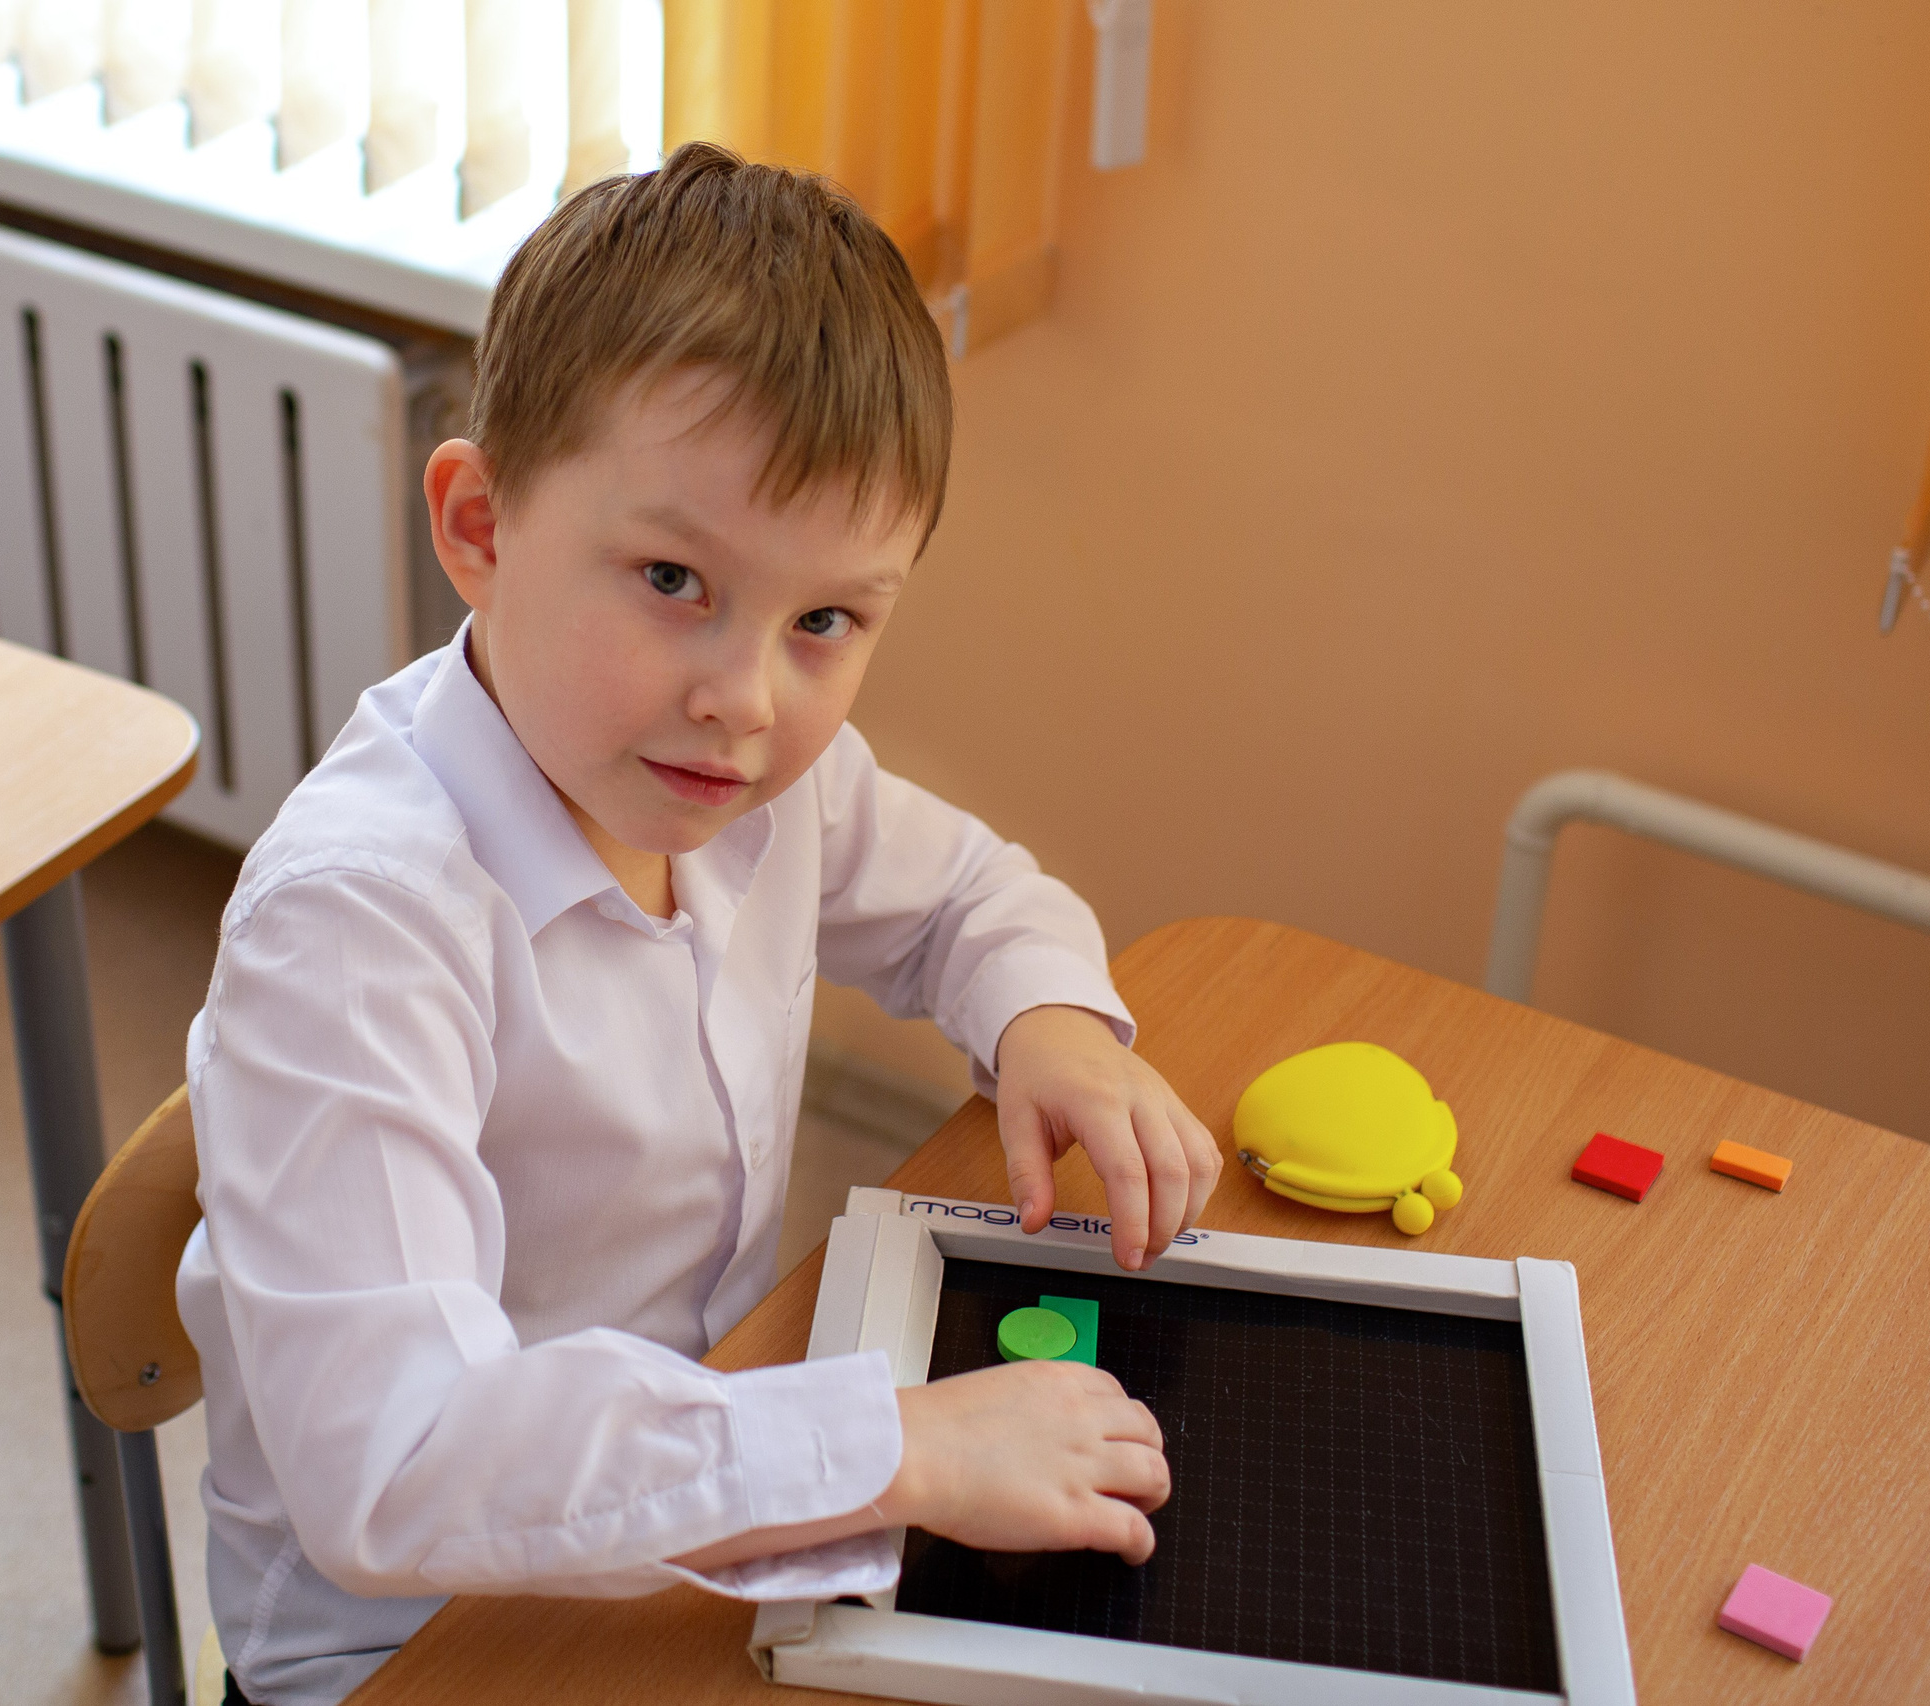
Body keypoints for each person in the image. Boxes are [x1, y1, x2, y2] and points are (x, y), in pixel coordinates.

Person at [177, 142, 1223, 1706]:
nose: (745, 697)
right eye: (674, 578)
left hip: (702, 1493)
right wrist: (897, 1444)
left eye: (825, 621)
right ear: (479, 525)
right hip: (418, 1638)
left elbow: (969, 894)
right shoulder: (360, 924)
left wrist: (1048, 1020)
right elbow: (401, 1457)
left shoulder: (747, 785)